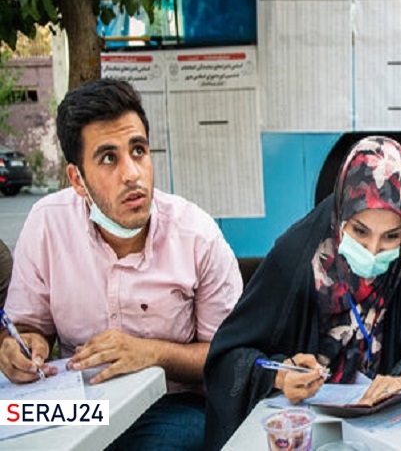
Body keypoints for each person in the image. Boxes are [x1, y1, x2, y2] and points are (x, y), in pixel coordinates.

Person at [0, 79, 243, 450]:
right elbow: (28, 325)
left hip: (172, 404)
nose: (132, 174)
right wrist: (23, 344)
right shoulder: (46, 223)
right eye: (109, 158)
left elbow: (230, 357)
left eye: (139, 150)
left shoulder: (197, 236)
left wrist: (152, 354)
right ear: (76, 179)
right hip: (80, 404)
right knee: (14, 432)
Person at [204, 136, 401, 449]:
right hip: (305, 436)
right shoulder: (296, 254)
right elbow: (227, 358)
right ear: (341, 213)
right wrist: (280, 376)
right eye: (360, 231)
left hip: (382, 435)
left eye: (390, 236)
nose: (373, 251)